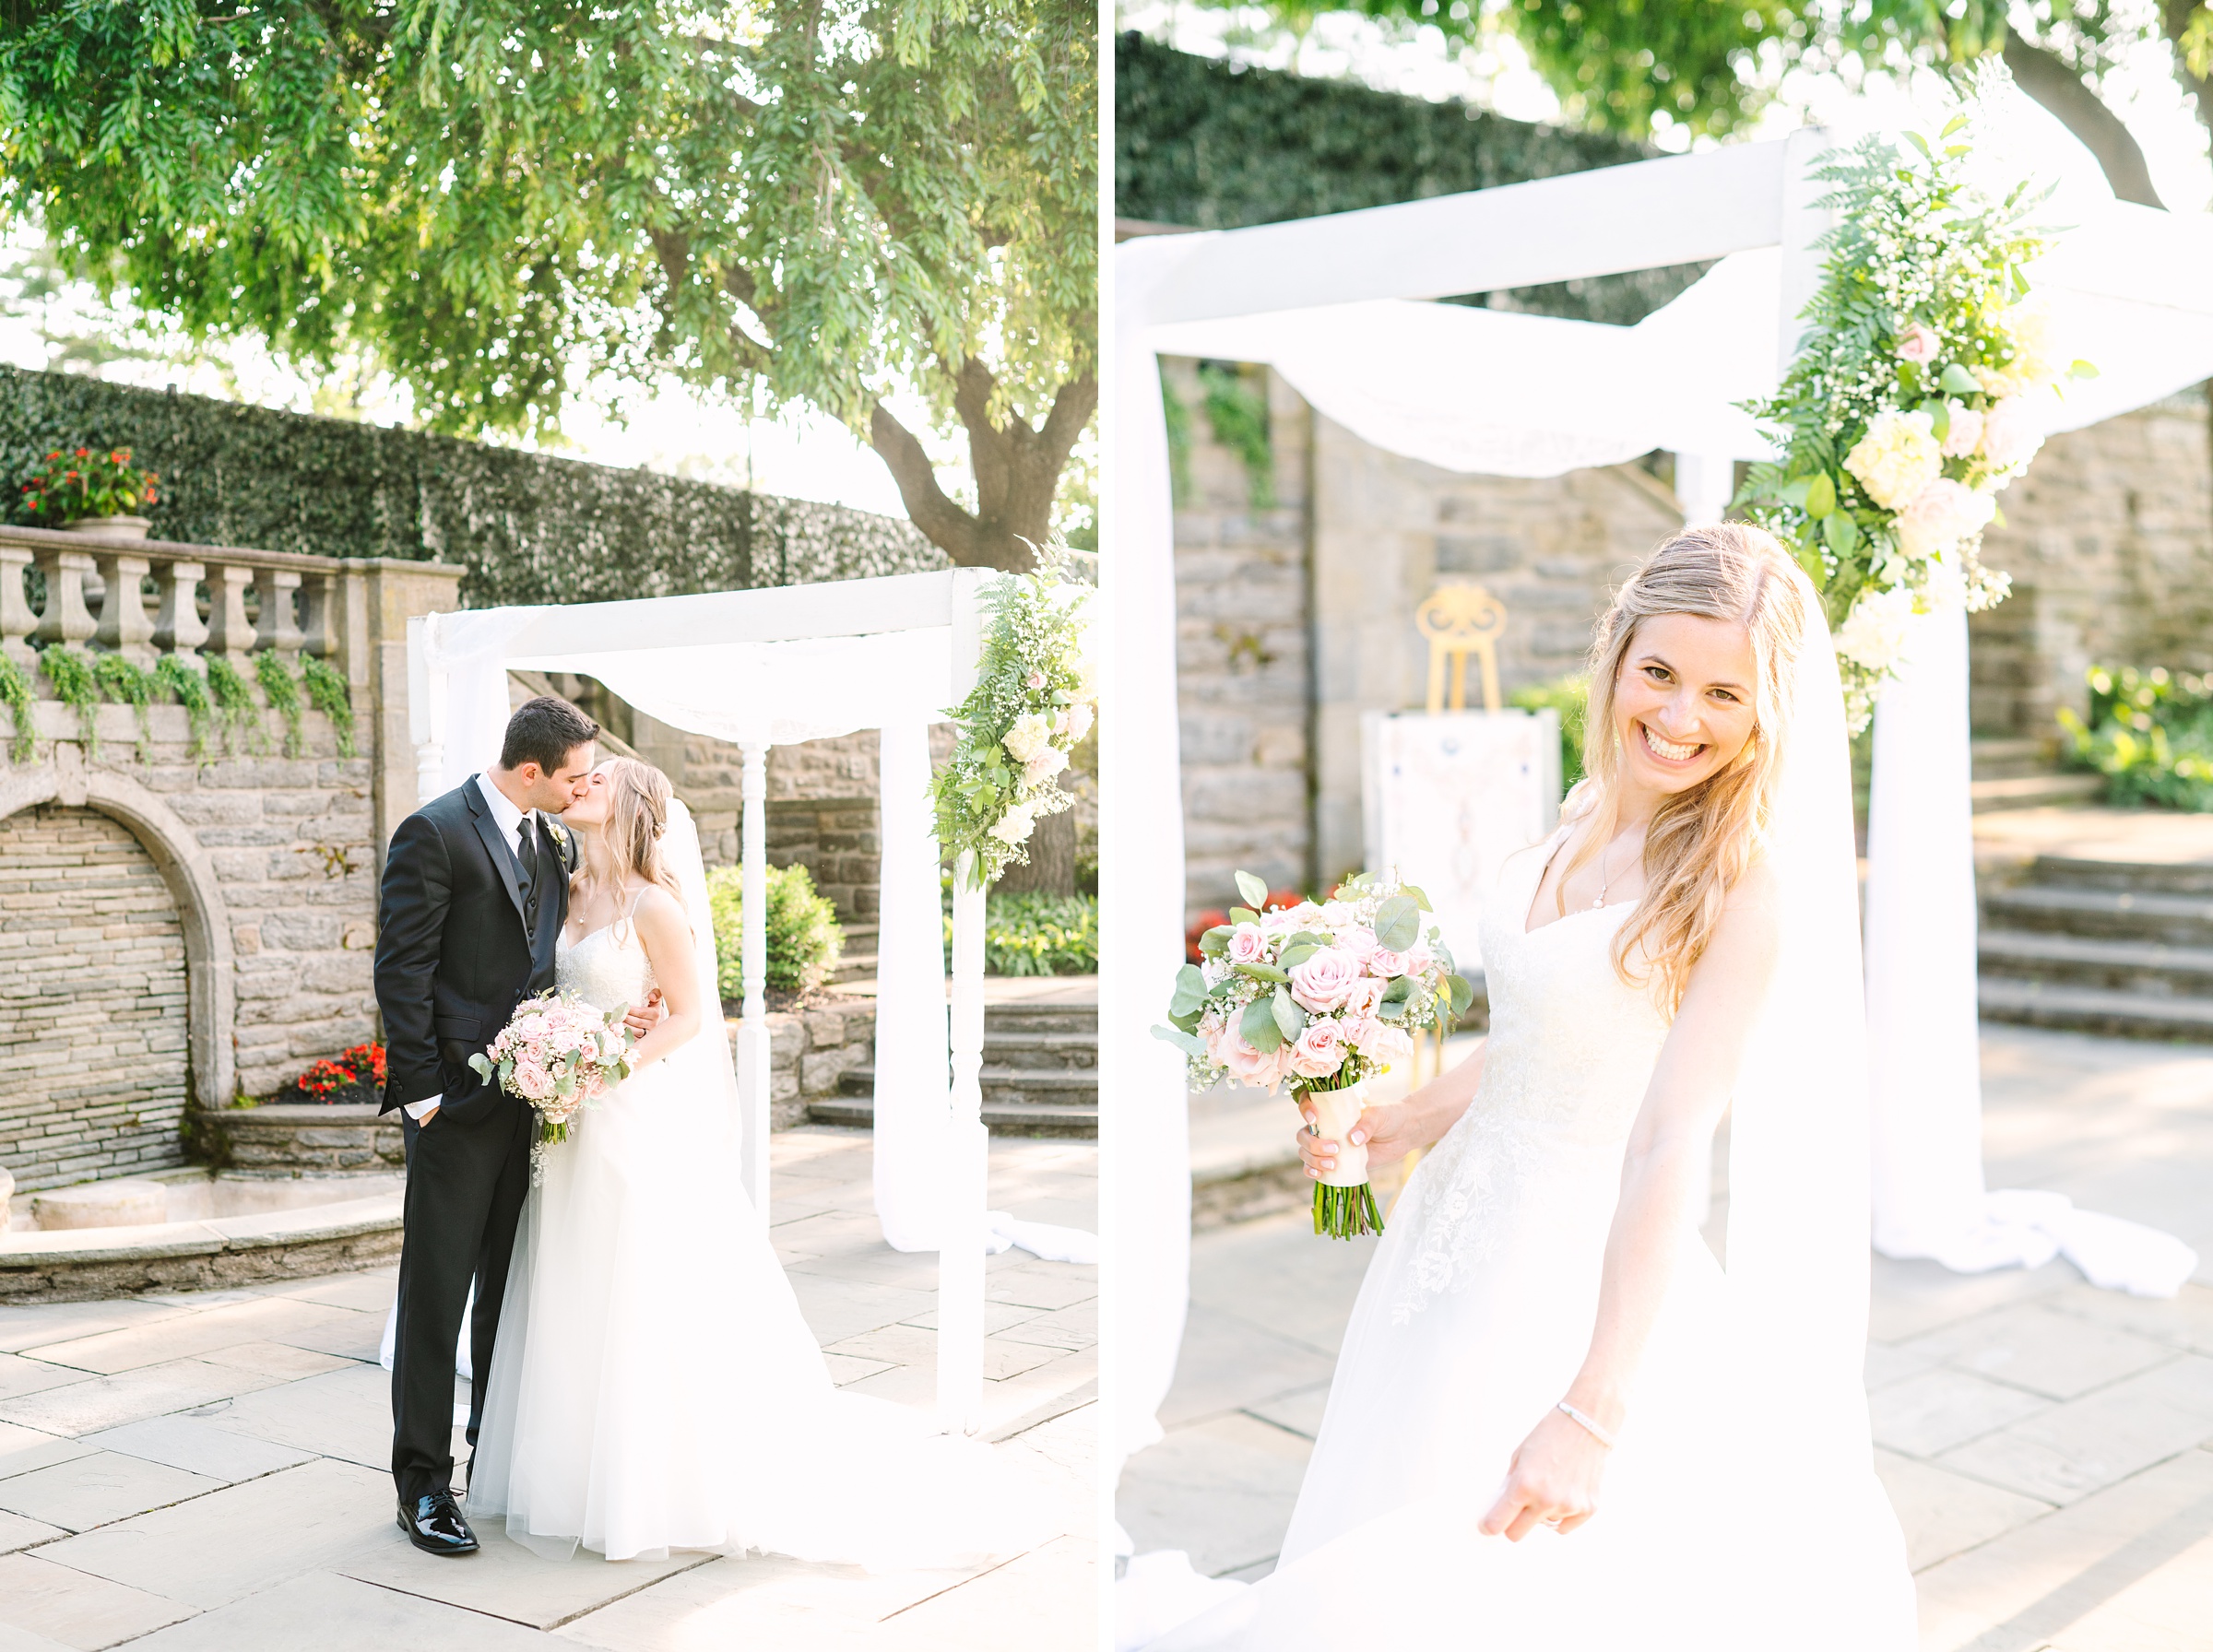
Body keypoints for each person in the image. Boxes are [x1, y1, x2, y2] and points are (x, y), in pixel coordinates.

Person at [1148, 525, 1914, 1649]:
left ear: (1768, 714)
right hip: (1453, 1233)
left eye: (1724, 694)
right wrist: (1395, 1121)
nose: (1681, 716)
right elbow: (1539, 1037)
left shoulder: (1742, 884)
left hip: (1580, 1273)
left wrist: (1593, 1410)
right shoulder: (1577, 812)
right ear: (1615, 653)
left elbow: (1669, 1139)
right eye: (1659, 672)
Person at [466, 758, 1039, 1567]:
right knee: (571, 1282)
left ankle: (656, 1484)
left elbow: (693, 1018)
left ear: (630, 805)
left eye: (596, 782)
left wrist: (605, 1064)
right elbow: (563, 988)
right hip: (567, 1124)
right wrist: (555, 1043)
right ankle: (569, 1474)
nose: (578, 786)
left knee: (642, 1286)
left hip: (627, 1115)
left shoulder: (654, 906)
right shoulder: (566, 888)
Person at [373, 696, 657, 1557]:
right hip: (456, 1107)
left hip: (539, 1106)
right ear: (530, 770)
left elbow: (558, 967)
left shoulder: (554, 840)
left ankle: (488, 1459)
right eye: (574, 776)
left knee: (508, 1293)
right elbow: (402, 970)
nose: (583, 789)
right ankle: (421, 1485)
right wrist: (425, 1099)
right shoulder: (435, 833)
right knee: (437, 1297)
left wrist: (613, 1026)